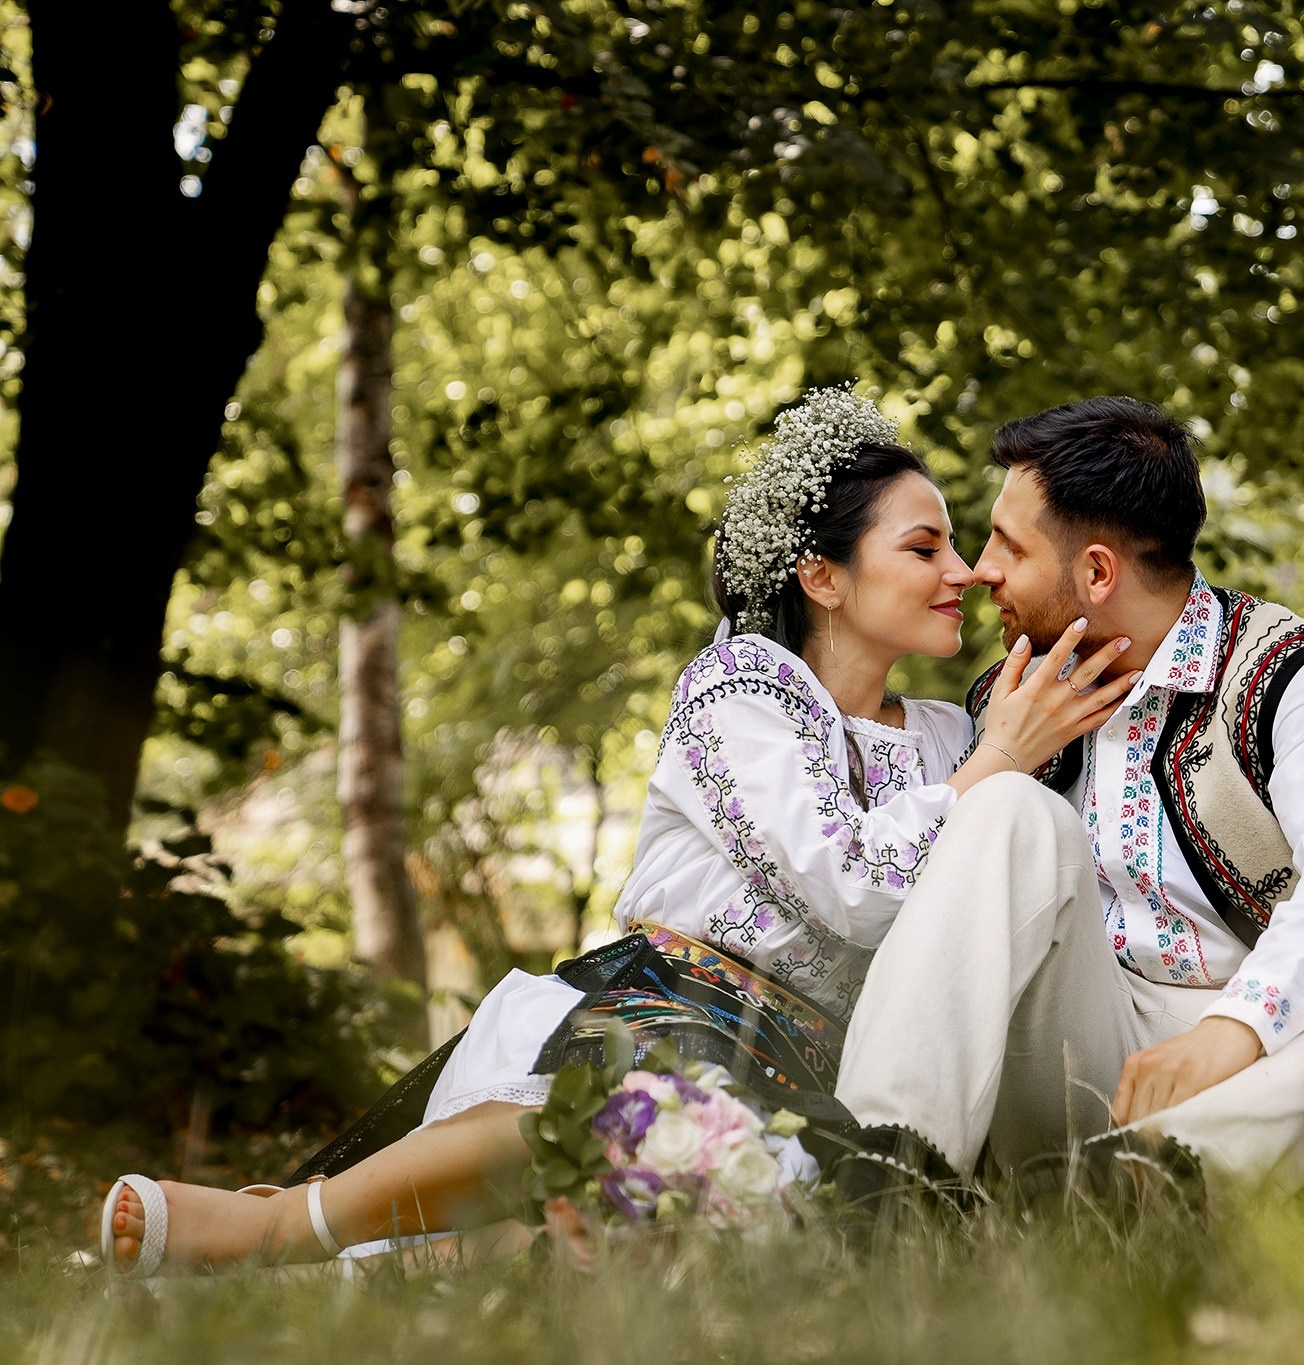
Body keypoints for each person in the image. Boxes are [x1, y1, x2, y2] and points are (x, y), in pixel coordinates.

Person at [99, 388, 1136, 1277]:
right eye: (924, 546)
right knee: (622, 1109)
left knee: (702, 1209)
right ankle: (291, 1222)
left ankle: (423, 1262)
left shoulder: (955, 734)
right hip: (676, 998)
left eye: (958, 544)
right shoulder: (741, 692)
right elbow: (847, 885)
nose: (962, 572)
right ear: (821, 576)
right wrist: (994, 762)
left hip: (829, 1066)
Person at [830, 396, 1304, 1202]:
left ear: (1098, 572)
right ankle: (881, 1180)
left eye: (1008, 543)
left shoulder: (1293, 677)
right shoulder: (1007, 699)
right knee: (1007, 810)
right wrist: (1002, 755)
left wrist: (1234, 1029)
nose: (979, 570)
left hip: (1245, 1060)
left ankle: (1146, 1183)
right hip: (1069, 1046)